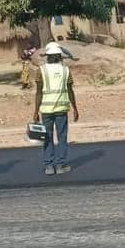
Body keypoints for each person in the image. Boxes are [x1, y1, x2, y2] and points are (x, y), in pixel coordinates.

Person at [34, 42, 79, 175]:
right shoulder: (66, 71)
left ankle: (49, 166)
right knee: (62, 137)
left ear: (47, 56)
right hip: (61, 109)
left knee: (47, 137)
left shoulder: (40, 71)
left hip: (46, 110)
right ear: (60, 56)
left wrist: (35, 111)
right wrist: (75, 108)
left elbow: (38, 92)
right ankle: (60, 165)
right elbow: (70, 91)